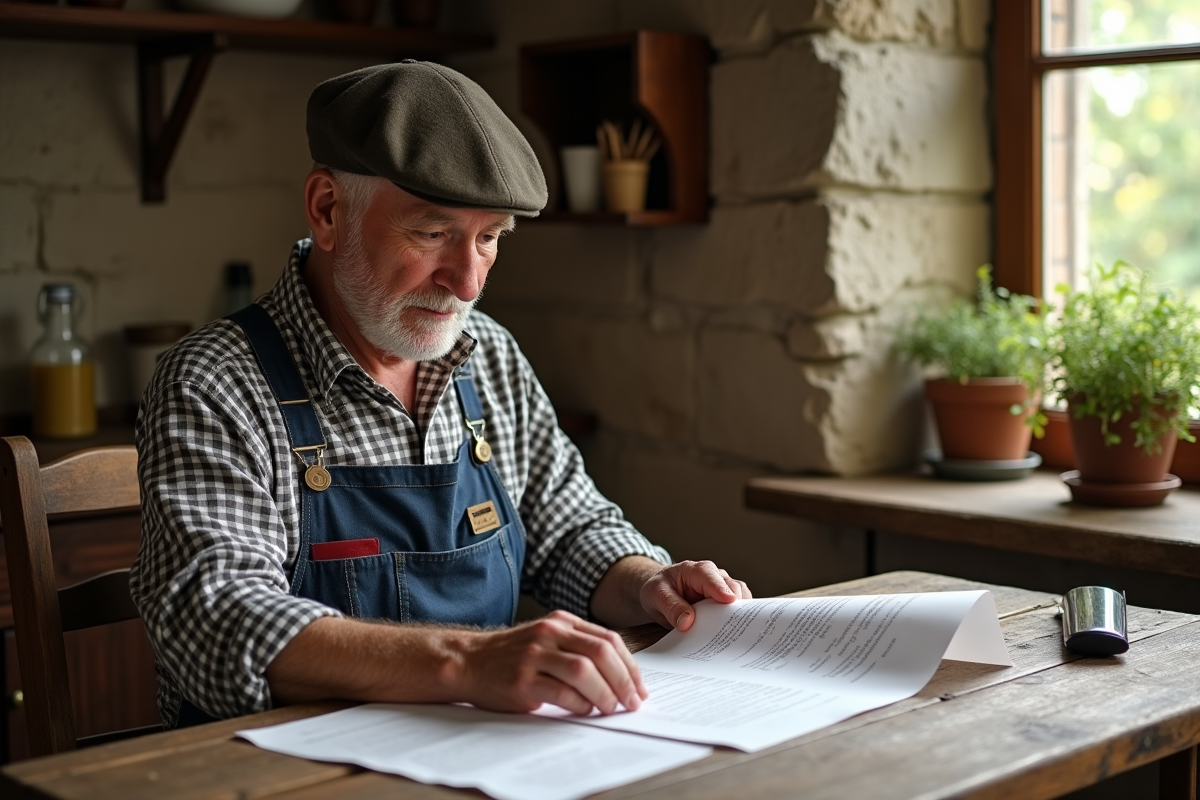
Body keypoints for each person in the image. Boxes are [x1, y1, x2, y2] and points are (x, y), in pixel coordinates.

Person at [130, 60, 751, 729]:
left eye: (489, 240)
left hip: (468, 754)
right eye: (433, 234)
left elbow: (568, 527)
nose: (467, 283)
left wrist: (644, 582)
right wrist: (466, 662)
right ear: (328, 208)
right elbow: (218, 616)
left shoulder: (489, 356)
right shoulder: (214, 383)